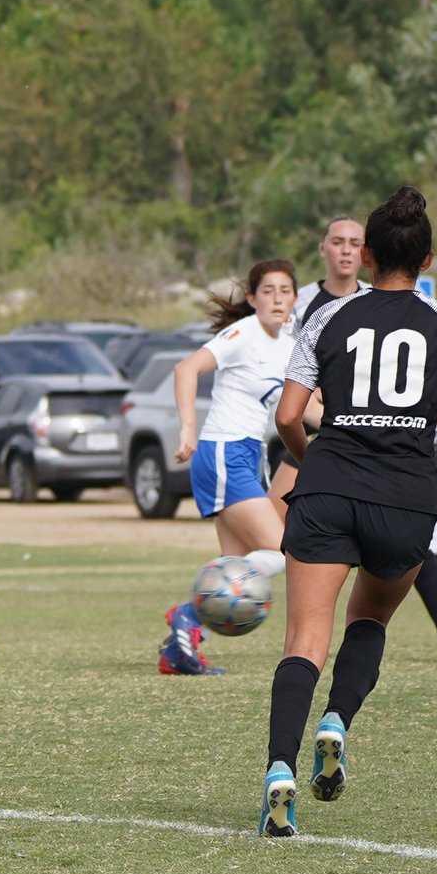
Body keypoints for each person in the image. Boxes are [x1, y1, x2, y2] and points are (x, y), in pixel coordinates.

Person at [256, 185, 437, 838]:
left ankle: (279, 772)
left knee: (305, 639)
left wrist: (312, 459)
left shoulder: (326, 319)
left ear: (364, 256)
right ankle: (335, 722)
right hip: (404, 497)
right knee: (370, 619)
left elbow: (286, 416)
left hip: (329, 488)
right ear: (427, 258)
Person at [299, 216, 437, 661]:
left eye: (355, 242)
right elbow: (297, 393)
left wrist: (431, 413)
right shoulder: (311, 308)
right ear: (324, 248)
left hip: (350, 457)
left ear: (367, 253)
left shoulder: (385, 305)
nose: (346, 249)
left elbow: (406, 375)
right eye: (338, 241)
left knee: (409, 547)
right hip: (324, 446)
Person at [157, 259, 300, 675]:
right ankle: (185, 613)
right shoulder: (242, 334)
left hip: (247, 456)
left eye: (285, 291)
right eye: (268, 291)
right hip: (222, 453)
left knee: (234, 571)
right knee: (285, 551)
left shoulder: (288, 346)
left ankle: (178, 651)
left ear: (294, 298)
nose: (277, 298)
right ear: (253, 299)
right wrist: (188, 429)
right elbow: (186, 369)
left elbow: (310, 407)